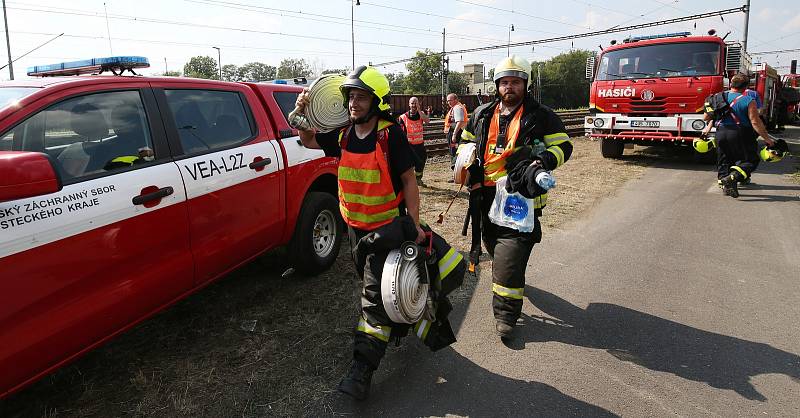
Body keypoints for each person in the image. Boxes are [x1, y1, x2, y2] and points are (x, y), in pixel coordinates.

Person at [295, 65, 425, 400]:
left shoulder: (389, 135)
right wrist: (299, 113)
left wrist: (415, 222)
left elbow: (409, 179)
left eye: (361, 97)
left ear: (377, 101)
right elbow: (307, 139)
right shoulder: (342, 135)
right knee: (378, 290)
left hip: (386, 231)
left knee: (370, 298)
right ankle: (397, 324)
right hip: (354, 231)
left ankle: (361, 371)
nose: (354, 103)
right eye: (351, 96)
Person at [457, 55, 572, 340]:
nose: (510, 87)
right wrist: (465, 159)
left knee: (508, 259)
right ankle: (510, 271)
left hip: (519, 198)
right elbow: (466, 141)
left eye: (516, 82)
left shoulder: (541, 115)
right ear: (497, 85)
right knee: (494, 248)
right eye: (505, 82)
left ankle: (506, 315)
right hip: (485, 198)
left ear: (526, 84)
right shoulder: (482, 113)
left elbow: (564, 146)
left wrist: (544, 159)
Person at [702, 73, 777, 198]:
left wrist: (707, 129)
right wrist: (767, 139)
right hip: (740, 133)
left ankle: (725, 183)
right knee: (750, 160)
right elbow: (755, 122)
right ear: (746, 87)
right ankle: (733, 177)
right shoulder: (748, 100)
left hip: (720, 132)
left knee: (725, 159)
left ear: (731, 84)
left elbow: (706, 117)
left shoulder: (717, 97)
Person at [398, 97, 431, 186]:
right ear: (409, 104)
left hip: (419, 144)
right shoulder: (403, 117)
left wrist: (420, 111)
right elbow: (401, 132)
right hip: (409, 145)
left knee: (421, 162)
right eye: (412, 103)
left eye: (415, 103)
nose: (414, 105)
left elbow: (427, 121)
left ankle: (418, 179)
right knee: (409, 165)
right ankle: (408, 182)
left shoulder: (421, 114)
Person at [444, 93, 468, 167]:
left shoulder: (457, 107)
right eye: (447, 101)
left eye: (450, 100)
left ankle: (455, 168)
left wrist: (454, 135)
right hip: (455, 132)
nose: (449, 102)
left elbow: (459, 121)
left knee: (454, 152)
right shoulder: (457, 107)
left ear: (456, 99)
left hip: (455, 133)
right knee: (455, 151)